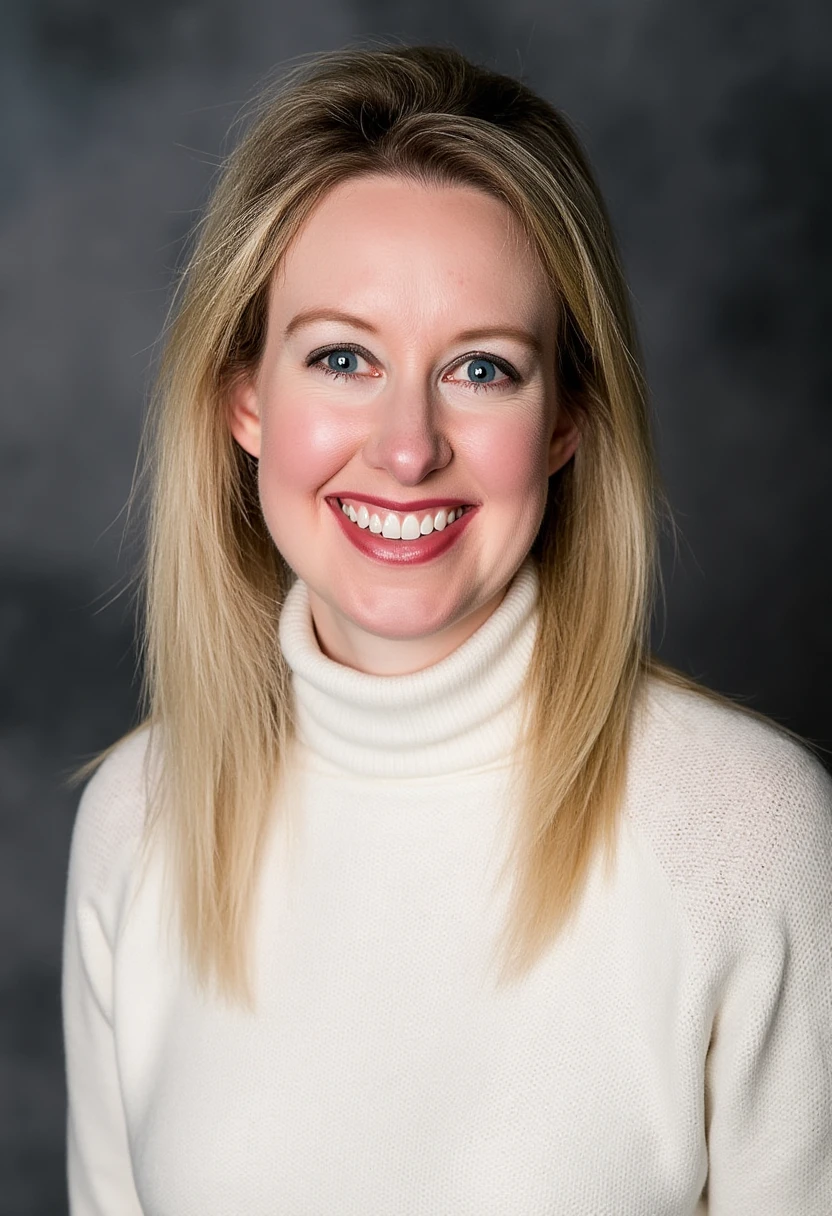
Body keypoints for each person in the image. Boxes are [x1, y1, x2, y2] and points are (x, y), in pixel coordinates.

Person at [61, 42, 832, 1215]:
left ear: (568, 416)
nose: (409, 446)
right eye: (341, 357)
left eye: (481, 366)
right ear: (245, 400)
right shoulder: (135, 817)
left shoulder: (746, 832)